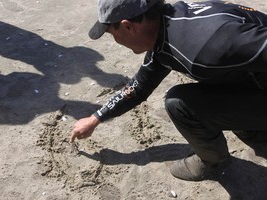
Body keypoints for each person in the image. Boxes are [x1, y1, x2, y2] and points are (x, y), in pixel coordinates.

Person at [70, 0, 267, 181]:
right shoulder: (168, 28)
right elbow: (140, 85)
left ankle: (214, 161)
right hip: (252, 80)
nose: (116, 41)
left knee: (179, 105)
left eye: (112, 34)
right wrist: (96, 118)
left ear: (127, 26)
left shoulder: (204, 46)